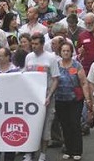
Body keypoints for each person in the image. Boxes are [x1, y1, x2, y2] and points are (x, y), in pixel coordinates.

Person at [23, 33, 60, 161]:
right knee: (30, 126)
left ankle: (43, 154)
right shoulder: (28, 57)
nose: (33, 46)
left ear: (42, 44)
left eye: (36, 44)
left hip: (46, 98)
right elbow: (26, 76)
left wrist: (49, 96)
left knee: (45, 127)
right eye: (32, 44)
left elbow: (56, 79)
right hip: (31, 98)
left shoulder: (51, 58)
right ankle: (28, 153)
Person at [55, 42, 90, 161]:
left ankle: (77, 151)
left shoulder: (77, 65)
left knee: (75, 124)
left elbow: (84, 82)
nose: (65, 53)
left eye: (68, 51)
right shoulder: (56, 65)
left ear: (71, 52)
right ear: (60, 52)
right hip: (60, 99)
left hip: (75, 99)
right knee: (65, 125)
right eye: (63, 51)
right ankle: (68, 150)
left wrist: (88, 98)